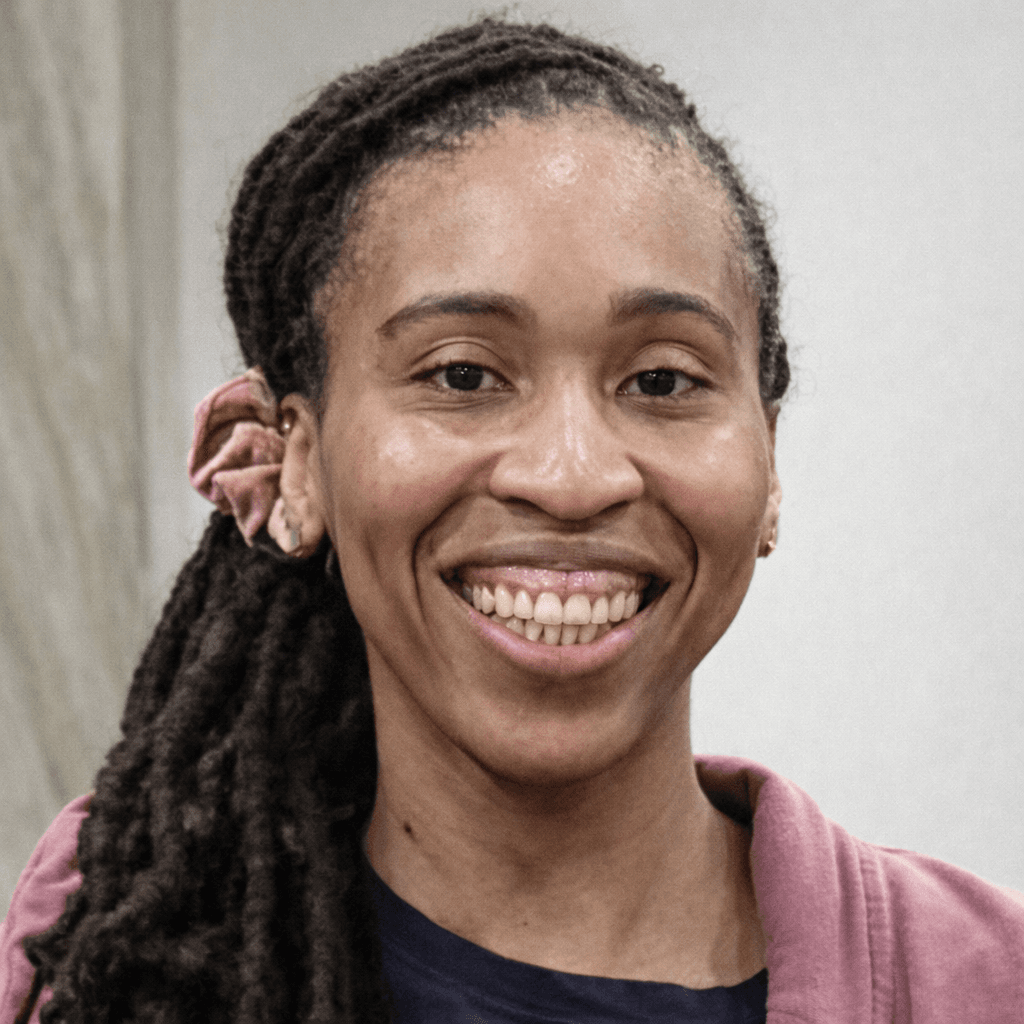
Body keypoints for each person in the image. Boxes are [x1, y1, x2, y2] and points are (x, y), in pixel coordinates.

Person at [1, 16, 1021, 1024]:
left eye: (662, 380)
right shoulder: (118, 953)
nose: (572, 478)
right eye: (462, 374)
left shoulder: (983, 983)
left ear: (768, 455)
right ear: (292, 462)